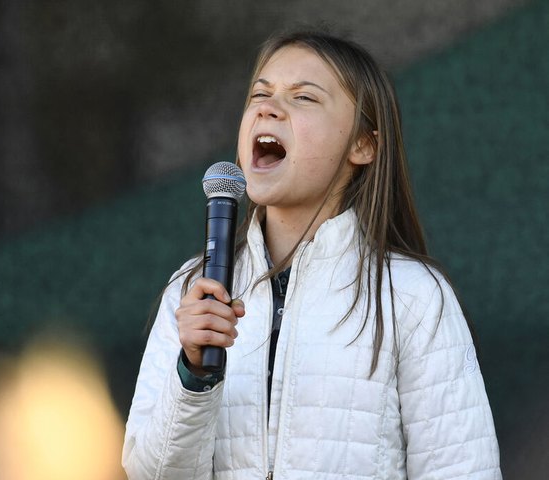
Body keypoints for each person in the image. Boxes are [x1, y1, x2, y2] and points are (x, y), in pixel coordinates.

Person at [122, 30, 501, 479]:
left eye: (303, 97)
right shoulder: (193, 290)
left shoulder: (413, 296)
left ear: (363, 144)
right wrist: (194, 375)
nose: (268, 107)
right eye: (260, 94)